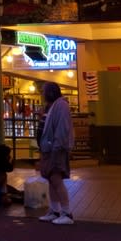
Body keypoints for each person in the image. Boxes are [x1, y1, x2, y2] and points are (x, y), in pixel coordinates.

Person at [36, 82, 76, 225]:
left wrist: (57, 147)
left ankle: (66, 213)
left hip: (55, 149)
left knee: (56, 179)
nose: (42, 93)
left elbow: (62, 128)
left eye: (44, 91)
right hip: (48, 148)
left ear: (51, 92)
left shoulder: (61, 106)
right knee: (51, 179)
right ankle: (55, 210)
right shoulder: (51, 107)